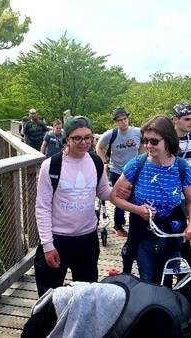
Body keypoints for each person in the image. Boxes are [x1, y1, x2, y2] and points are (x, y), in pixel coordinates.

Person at [34, 115, 130, 297]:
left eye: (88, 137)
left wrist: (121, 192)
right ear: (66, 139)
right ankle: (50, 326)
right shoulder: (51, 165)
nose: (84, 142)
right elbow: (42, 206)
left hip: (87, 239)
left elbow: (103, 192)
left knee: (86, 294)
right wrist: (47, 245)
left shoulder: (95, 162)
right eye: (77, 138)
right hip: (58, 238)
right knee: (49, 296)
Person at [110, 115, 191, 286]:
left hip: (172, 231)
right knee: (148, 281)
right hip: (144, 231)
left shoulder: (181, 168)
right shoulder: (137, 164)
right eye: (145, 140)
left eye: (154, 141)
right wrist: (137, 209)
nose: (148, 146)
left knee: (168, 283)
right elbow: (114, 196)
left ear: (167, 141)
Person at [96, 107, 144, 237]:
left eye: (125, 119)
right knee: (120, 197)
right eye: (120, 120)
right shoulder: (111, 134)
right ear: (116, 122)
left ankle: (134, 223)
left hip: (134, 170)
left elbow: (142, 146)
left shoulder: (138, 132)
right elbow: (99, 147)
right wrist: (105, 162)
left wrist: (142, 160)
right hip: (118, 170)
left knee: (136, 196)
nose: (123, 122)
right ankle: (118, 225)